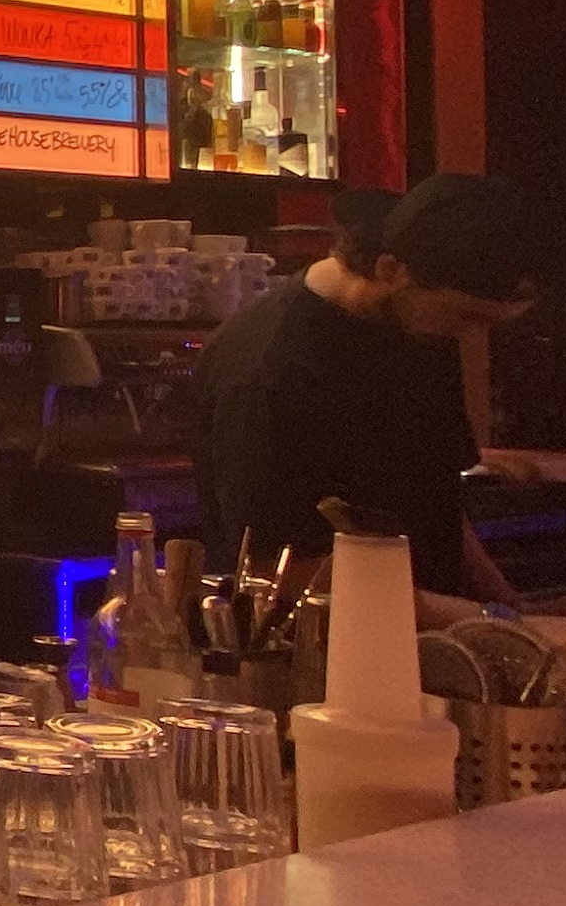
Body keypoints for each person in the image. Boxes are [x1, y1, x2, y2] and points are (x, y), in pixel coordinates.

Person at [190, 174, 540, 601]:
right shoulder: (268, 370)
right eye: (469, 317)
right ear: (391, 269)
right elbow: (274, 572)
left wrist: (514, 614)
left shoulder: (422, 328)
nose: (472, 337)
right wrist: (470, 616)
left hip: (431, 631)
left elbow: (439, 504)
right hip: (311, 637)